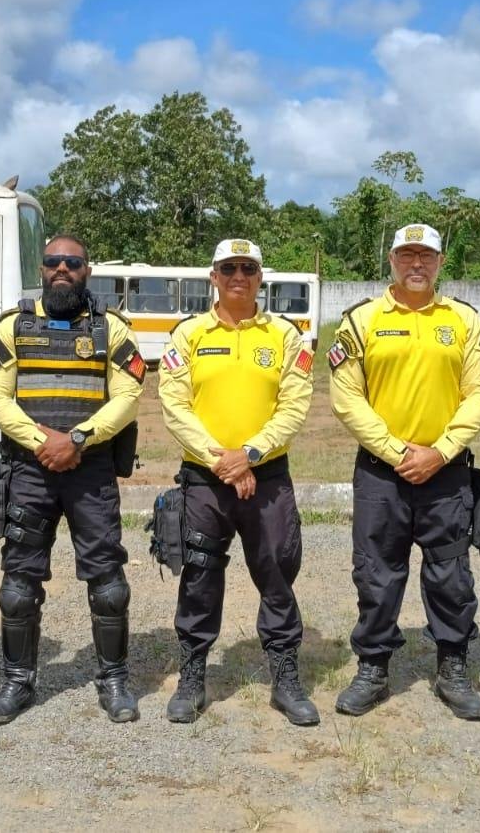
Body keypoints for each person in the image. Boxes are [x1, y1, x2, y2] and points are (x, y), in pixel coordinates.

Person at [329, 223, 480, 720]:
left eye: (426, 255)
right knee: (376, 574)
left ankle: (452, 667)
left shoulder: (465, 321)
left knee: (451, 575)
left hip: (446, 473)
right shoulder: (361, 321)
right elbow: (346, 398)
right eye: (407, 255)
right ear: (392, 262)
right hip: (383, 473)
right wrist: (398, 451)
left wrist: (440, 451)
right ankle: (373, 667)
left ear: (441, 262)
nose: (416, 264)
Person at [0, 234, 145, 724]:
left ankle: (113, 682)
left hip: (89, 471)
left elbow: (128, 396)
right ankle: (17, 682)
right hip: (30, 470)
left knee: (108, 583)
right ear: (42, 268)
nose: (63, 269)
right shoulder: (13, 327)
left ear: (87, 269)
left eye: (73, 262)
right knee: (18, 584)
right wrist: (42, 442)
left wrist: (77, 439)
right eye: (54, 262)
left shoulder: (111, 329)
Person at [158, 238, 319, 726]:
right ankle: (192, 676)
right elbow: (174, 404)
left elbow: (294, 406)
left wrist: (247, 455)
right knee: (201, 575)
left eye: (248, 268)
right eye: (229, 267)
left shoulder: (286, 337)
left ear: (260, 279)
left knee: (276, 571)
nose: (238, 276)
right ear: (214, 276)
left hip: (265, 474)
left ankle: (285, 679)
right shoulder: (187, 334)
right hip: (206, 477)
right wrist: (223, 460)